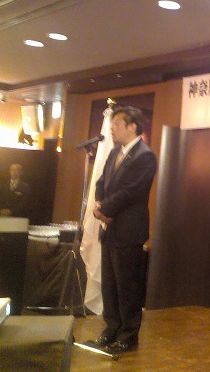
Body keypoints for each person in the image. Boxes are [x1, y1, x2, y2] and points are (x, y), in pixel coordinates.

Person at [87, 106, 157, 354]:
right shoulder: (115, 151)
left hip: (129, 230)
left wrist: (104, 209)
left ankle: (128, 335)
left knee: (127, 286)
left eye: (116, 124)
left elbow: (131, 191)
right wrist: (99, 205)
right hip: (110, 228)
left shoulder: (145, 156)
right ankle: (111, 329)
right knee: (110, 285)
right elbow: (101, 182)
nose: (112, 128)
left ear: (132, 127)